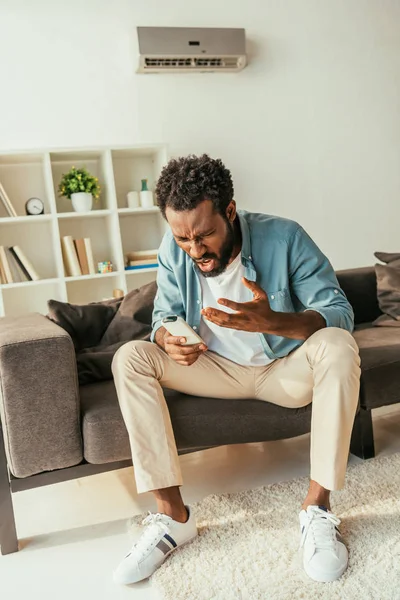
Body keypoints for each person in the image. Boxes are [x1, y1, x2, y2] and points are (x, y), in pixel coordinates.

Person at [112, 154, 361, 586]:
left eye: (204, 235)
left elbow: (339, 311)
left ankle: (317, 510)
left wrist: (274, 322)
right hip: (214, 369)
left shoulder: (284, 237)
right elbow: (161, 318)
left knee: (338, 346)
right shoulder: (174, 250)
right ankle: (173, 518)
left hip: (283, 370)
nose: (195, 250)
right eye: (183, 238)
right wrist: (165, 340)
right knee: (130, 357)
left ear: (229, 211)